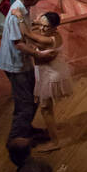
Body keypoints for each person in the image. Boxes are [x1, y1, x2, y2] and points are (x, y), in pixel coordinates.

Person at [0, 0, 45, 142]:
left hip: (23, 63)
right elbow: (18, 44)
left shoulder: (23, 10)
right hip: (15, 65)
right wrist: (37, 54)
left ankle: (26, 129)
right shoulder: (15, 13)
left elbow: (25, 32)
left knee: (32, 98)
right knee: (25, 104)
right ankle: (17, 139)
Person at [29, 11, 73, 145]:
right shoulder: (50, 33)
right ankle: (53, 133)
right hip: (46, 73)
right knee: (47, 108)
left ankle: (55, 142)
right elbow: (38, 27)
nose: (42, 29)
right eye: (41, 25)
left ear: (55, 27)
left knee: (45, 109)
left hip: (50, 75)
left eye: (46, 27)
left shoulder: (49, 40)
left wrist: (19, 19)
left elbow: (26, 35)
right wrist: (39, 22)